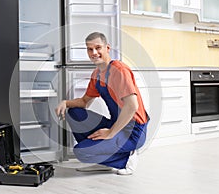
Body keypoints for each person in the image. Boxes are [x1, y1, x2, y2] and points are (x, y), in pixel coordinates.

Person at [55, 32, 149, 175]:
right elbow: (84, 102)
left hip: (132, 132)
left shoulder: (119, 70)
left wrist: (111, 133)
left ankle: (126, 158)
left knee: (81, 152)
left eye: (98, 48)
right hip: (116, 124)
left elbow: (132, 106)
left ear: (107, 48)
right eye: (89, 49)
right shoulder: (97, 75)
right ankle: (103, 161)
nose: (94, 53)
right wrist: (65, 102)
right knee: (74, 113)